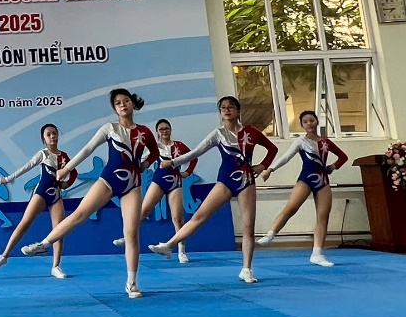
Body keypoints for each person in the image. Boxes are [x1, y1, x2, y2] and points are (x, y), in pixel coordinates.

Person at [20, 90, 156, 298]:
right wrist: (66, 169)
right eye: (118, 103)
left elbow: (154, 152)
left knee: (131, 233)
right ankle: (44, 244)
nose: (122, 105)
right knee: (78, 215)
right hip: (109, 180)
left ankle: (132, 283)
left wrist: (145, 164)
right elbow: (87, 150)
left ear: (132, 104)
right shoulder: (110, 128)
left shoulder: (144, 132)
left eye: (126, 101)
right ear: (114, 108)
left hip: (132, 184)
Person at [149, 95, 278, 284]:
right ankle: (169, 245)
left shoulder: (251, 132)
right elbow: (195, 153)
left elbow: (272, 149)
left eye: (231, 107)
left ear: (238, 111)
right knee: (199, 217)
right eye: (223, 107)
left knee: (248, 227)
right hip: (225, 181)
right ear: (220, 113)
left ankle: (246, 269)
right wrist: (173, 162)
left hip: (247, 181)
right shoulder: (218, 134)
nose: (227, 110)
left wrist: (262, 166)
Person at [256, 110, 349, 267]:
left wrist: (333, 166)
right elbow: (286, 157)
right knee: (291, 208)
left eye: (311, 120)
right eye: (305, 121)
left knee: (323, 216)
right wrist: (270, 169)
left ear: (316, 122)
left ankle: (317, 253)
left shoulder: (326, 142)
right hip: (306, 179)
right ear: (302, 125)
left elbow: (343, 156)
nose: (309, 123)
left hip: (323, 181)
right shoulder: (300, 141)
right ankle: (271, 234)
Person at [0, 123, 76, 277]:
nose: (52, 136)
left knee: (59, 229)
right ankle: (4, 255)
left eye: (54, 133)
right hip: (42, 193)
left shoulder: (64, 156)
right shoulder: (43, 154)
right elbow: (26, 167)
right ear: (43, 138)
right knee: (25, 222)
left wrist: (66, 184)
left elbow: (74, 172)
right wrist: (8, 179)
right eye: (48, 134)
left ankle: (56, 266)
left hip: (56, 195)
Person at [114, 119, 196, 264]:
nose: (164, 131)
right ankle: (127, 237)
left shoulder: (179, 145)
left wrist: (188, 172)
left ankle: (181, 251)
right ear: (157, 132)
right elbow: (143, 160)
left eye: (166, 128)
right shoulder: (155, 147)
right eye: (161, 129)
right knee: (143, 211)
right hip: (158, 181)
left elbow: (193, 157)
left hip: (175, 182)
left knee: (178, 218)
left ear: (171, 129)